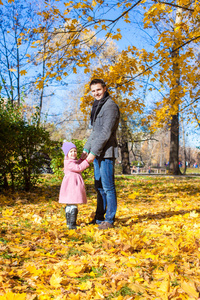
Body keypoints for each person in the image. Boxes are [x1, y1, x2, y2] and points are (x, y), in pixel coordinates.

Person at [81, 79, 120, 230]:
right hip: (97, 152)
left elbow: (105, 133)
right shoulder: (98, 106)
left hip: (106, 153)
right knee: (100, 187)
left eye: (98, 90)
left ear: (104, 89)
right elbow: (95, 132)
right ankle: (99, 218)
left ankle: (109, 220)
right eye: (93, 91)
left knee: (108, 187)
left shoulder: (110, 107)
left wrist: (93, 153)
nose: (96, 93)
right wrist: (86, 149)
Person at [59, 141, 90, 229]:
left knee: (69, 204)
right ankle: (72, 224)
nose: (73, 153)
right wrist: (87, 161)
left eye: (75, 151)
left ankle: (69, 223)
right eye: (71, 151)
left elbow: (76, 163)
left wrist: (81, 159)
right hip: (72, 187)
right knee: (73, 204)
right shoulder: (68, 163)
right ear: (67, 153)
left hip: (70, 186)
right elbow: (78, 167)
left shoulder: (70, 161)